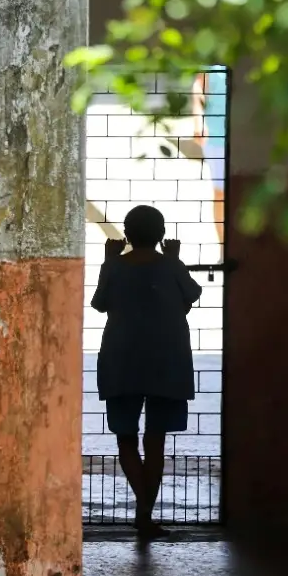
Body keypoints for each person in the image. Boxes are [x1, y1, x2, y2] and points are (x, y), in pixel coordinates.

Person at [90, 205, 202, 537]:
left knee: (126, 438)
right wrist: (175, 259)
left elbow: (100, 303)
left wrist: (109, 260)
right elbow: (188, 299)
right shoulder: (171, 265)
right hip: (167, 361)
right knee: (156, 440)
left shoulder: (114, 266)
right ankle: (145, 514)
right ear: (161, 234)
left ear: (127, 234)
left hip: (120, 360)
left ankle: (144, 512)